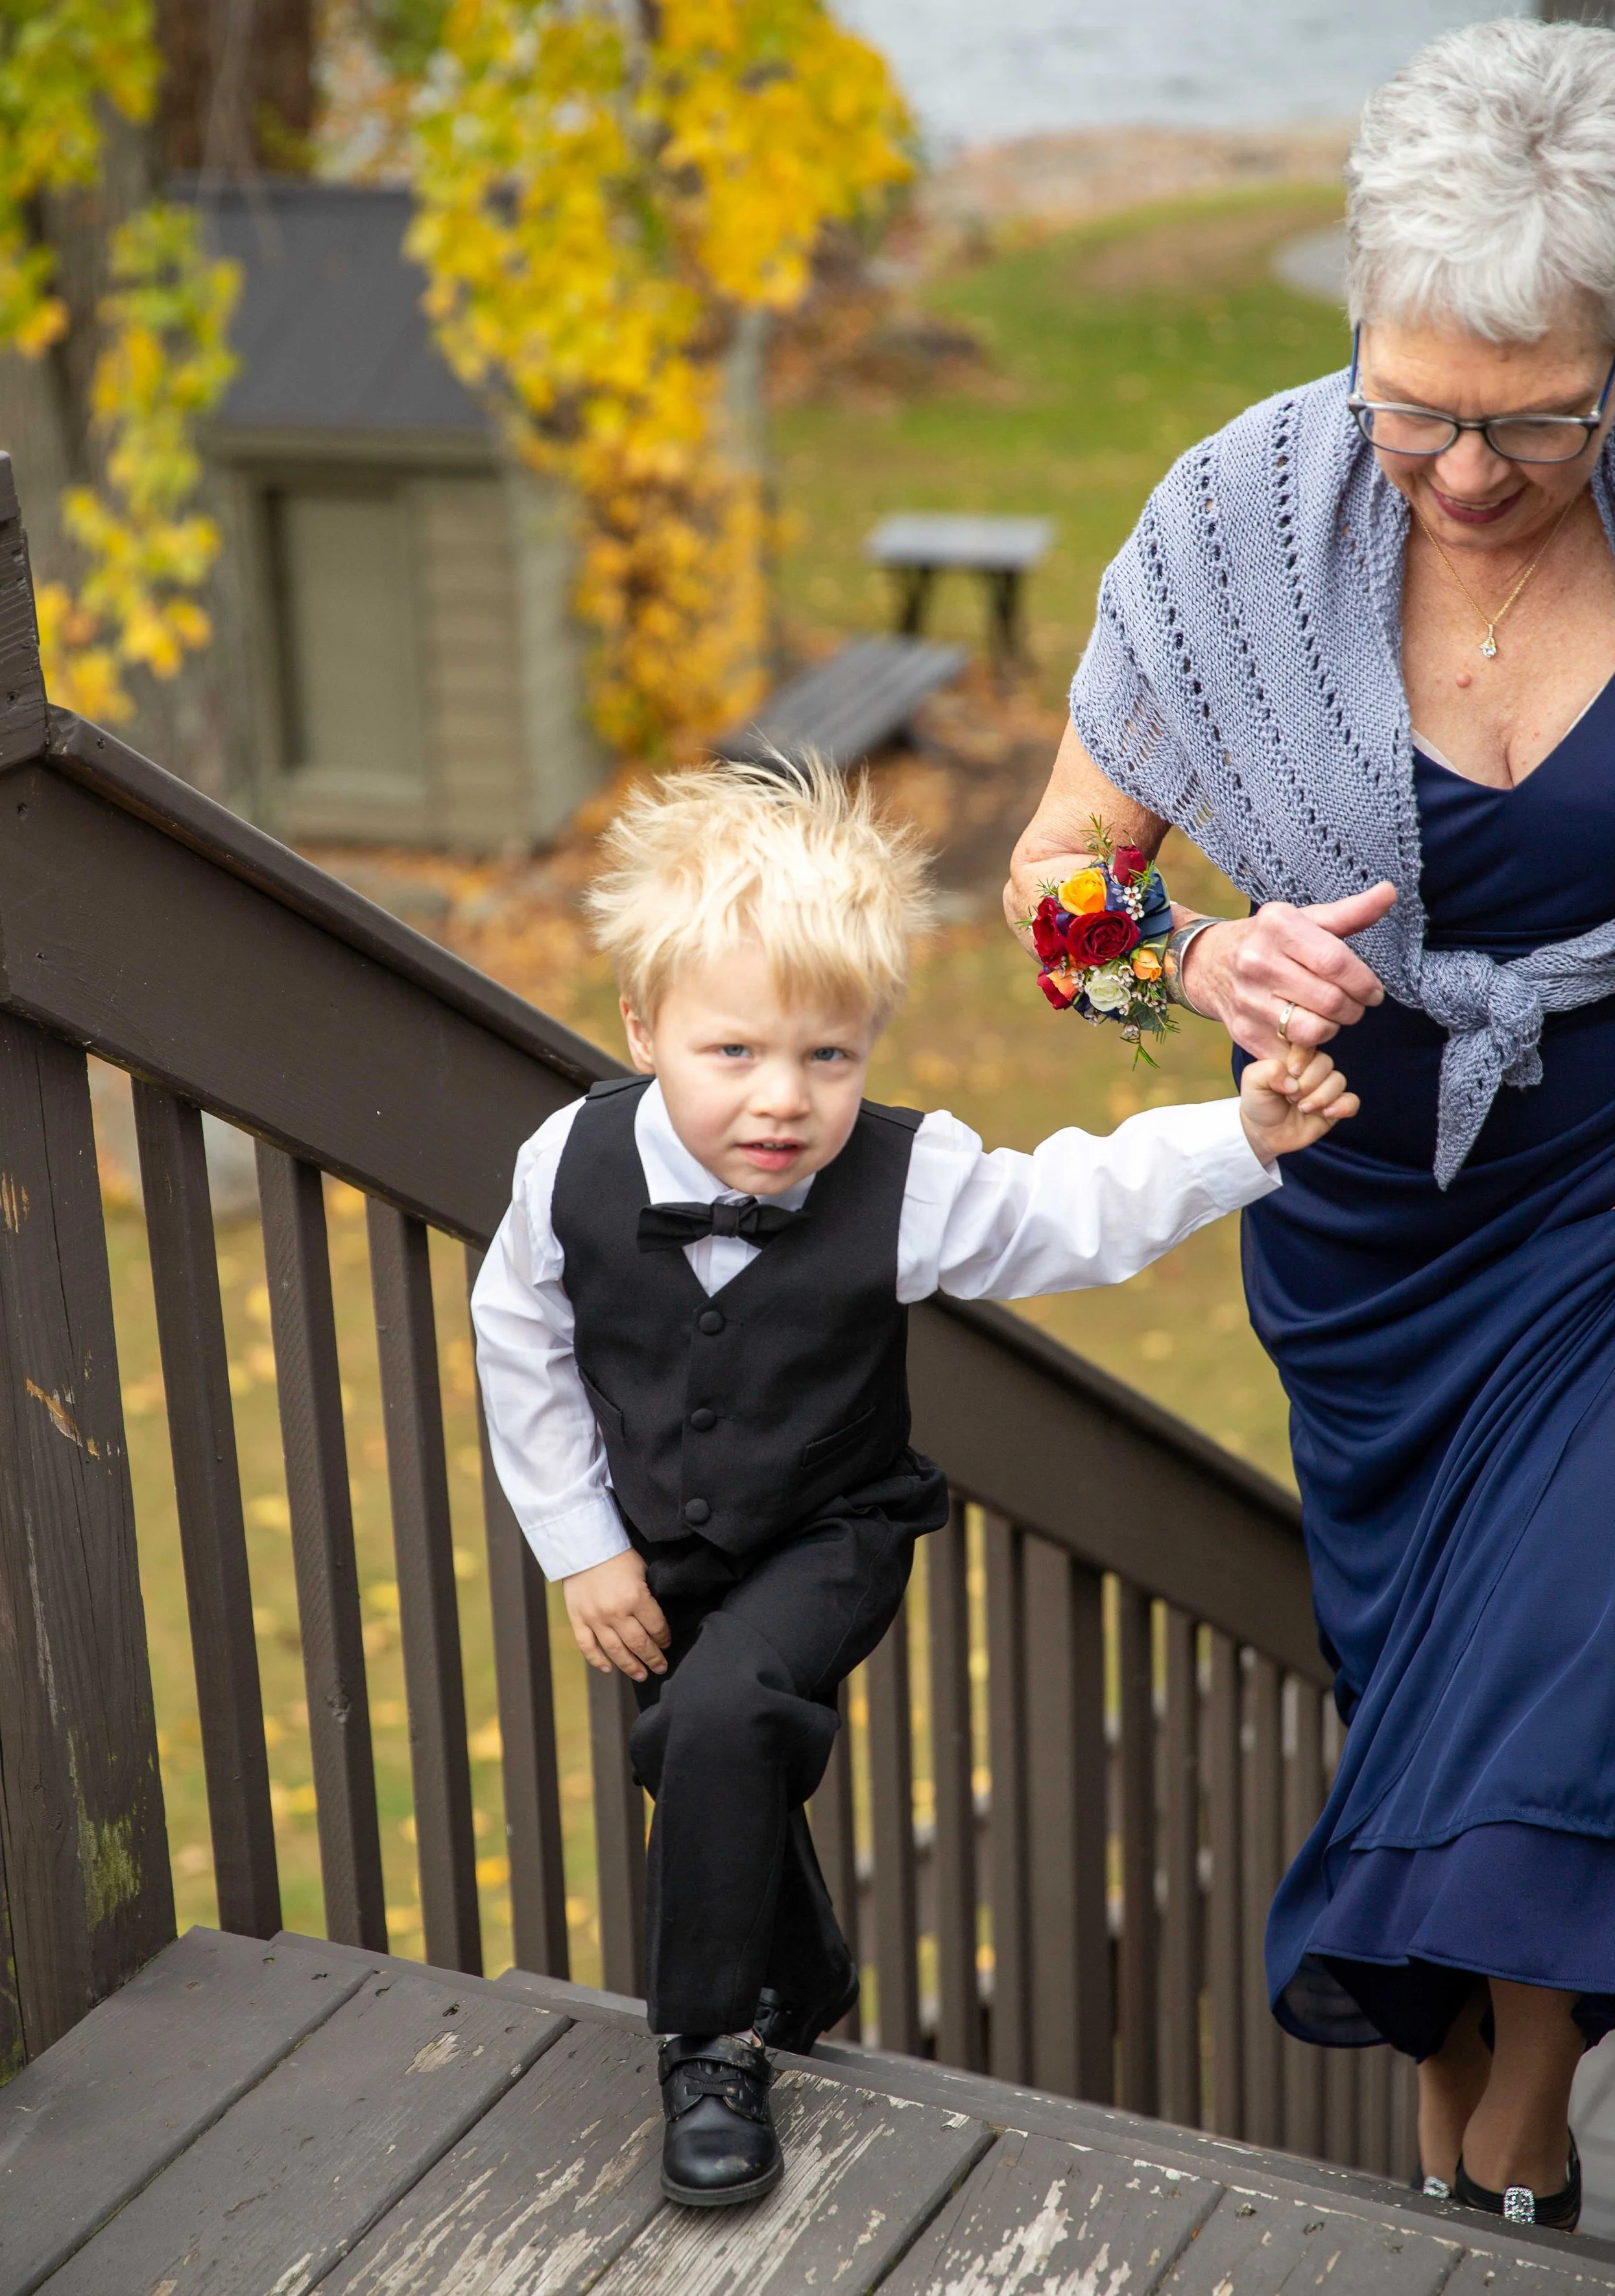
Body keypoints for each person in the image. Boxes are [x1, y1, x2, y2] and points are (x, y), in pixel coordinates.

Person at [1006, 15, 1615, 2234]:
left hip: (1610, 1198)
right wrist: (1191, 960)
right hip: (1366, 1240)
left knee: (1581, 1634)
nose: (1463, 471)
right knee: (1433, 1701)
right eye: (1421, 407)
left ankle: (1531, 2117)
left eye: (1536, 420)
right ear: (1356, 323)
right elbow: (1057, 905)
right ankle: (1467, 2129)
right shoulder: (1227, 524)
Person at [473, 757, 1352, 2210]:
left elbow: (1065, 1210)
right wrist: (582, 1547)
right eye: (734, 1054)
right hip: (657, 1550)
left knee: (725, 1711)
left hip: (831, 1528)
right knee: (710, 1748)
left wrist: (1240, 1137)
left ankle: (708, 2049)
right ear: (643, 1027)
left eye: (831, 1058)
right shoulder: (562, 1165)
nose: (784, 1102)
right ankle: (801, 1961)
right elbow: (519, 1340)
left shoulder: (904, 1182)